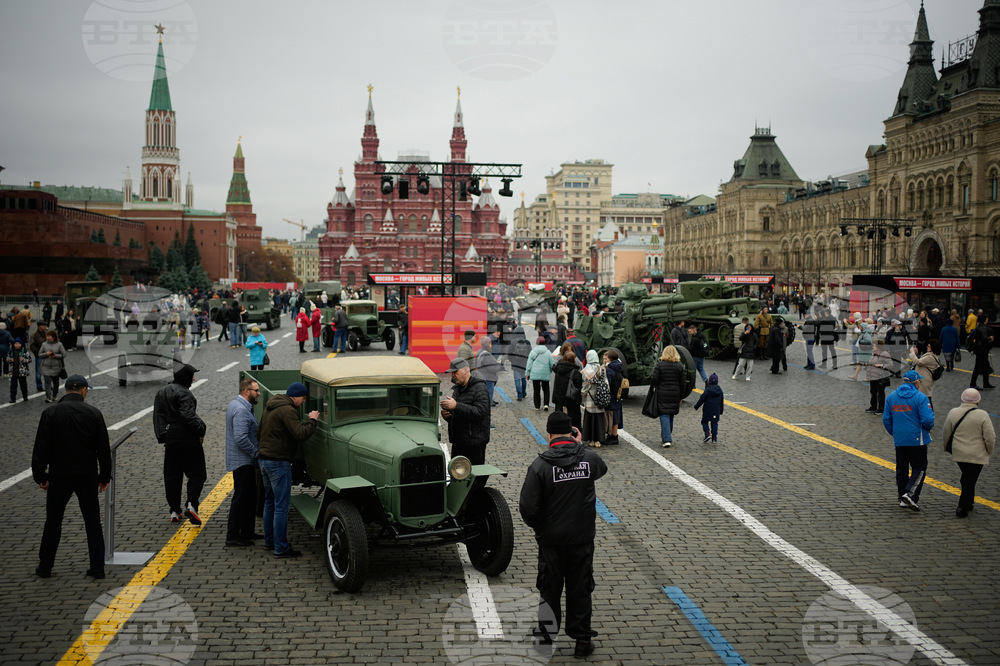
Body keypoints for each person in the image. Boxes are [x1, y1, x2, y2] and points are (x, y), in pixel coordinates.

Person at [519, 411, 606, 660]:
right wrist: (580, 446)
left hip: (552, 541)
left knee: (550, 590)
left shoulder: (540, 465)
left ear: (549, 435)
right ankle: (582, 641)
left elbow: (527, 508)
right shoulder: (588, 458)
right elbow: (602, 468)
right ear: (572, 432)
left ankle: (546, 641)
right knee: (581, 588)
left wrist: (541, 528)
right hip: (581, 538)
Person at [31, 374, 111, 579]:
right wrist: (105, 476)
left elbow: (41, 448)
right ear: (84, 390)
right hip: (86, 474)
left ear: (66, 390)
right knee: (92, 521)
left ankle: (45, 566)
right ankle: (97, 567)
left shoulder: (50, 413)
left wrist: (40, 476)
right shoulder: (94, 413)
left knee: (53, 521)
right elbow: (103, 449)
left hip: (60, 475)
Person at [257, 382, 319, 558]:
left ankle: (269, 542)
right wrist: (312, 420)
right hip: (278, 462)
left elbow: (258, 433)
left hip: (264, 460)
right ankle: (281, 547)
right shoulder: (288, 410)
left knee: (269, 502)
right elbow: (300, 434)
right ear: (295, 397)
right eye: (303, 398)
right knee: (281, 506)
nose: (304, 401)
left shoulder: (271, 406)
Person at [153, 364, 207, 525]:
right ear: (185, 377)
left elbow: (158, 416)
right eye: (191, 376)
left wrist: (163, 436)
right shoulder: (185, 394)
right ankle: (192, 504)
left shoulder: (162, 391)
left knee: (172, 477)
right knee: (197, 474)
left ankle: (175, 510)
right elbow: (188, 416)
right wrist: (201, 429)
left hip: (171, 441)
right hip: (188, 439)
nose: (193, 379)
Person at [883, 370, 934, 511]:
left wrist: (895, 433)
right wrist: (928, 428)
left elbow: (886, 419)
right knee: (919, 467)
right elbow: (928, 419)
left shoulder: (892, 397)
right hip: (917, 439)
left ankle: (902, 497)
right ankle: (910, 494)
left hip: (900, 438)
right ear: (916, 382)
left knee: (902, 468)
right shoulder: (921, 397)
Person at [942, 388, 995, 518]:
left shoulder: (953, 412)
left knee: (967, 477)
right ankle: (962, 506)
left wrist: (947, 447)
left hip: (959, 452)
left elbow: (946, 432)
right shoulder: (983, 415)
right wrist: (989, 450)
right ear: (978, 400)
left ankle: (969, 501)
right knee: (969, 479)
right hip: (977, 453)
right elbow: (990, 437)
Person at [225, 377, 261, 546]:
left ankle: (246, 531)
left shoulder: (239, 405)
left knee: (248, 497)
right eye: (256, 391)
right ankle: (233, 536)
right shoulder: (241, 410)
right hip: (243, 461)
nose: (259, 393)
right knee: (241, 498)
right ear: (246, 391)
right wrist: (256, 453)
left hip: (244, 460)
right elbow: (240, 438)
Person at [440, 358, 491, 464]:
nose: (453, 375)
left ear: (466, 370)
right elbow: (460, 414)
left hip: (474, 444)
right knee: (458, 475)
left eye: (455, 372)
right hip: (459, 442)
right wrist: (449, 416)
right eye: (451, 373)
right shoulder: (458, 388)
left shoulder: (480, 388)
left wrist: (456, 406)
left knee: (474, 476)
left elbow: (480, 412)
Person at [650, 345, 686, 448]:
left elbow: (654, 379)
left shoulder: (660, 365)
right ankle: (666, 434)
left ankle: (666, 438)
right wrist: (681, 396)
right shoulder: (679, 366)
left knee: (664, 414)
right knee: (670, 415)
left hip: (662, 392)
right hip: (675, 393)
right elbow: (683, 383)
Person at [580, 350, 608, 448]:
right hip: (599, 398)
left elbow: (584, 386)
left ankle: (590, 440)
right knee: (599, 420)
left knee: (589, 419)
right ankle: (598, 440)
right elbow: (606, 384)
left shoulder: (585, 370)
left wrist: (582, 396)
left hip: (589, 399)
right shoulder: (601, 369)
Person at [552, 349, 583, 431]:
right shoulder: (575, 372)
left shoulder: (558, 369)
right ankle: (573, 431)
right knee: (574, 416)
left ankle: (560, 430)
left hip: (560, 396)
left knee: (560, 415)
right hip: (571, 397)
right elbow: (578, 384)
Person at [908, 339, 941, 409]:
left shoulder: (930, 357)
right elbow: (922, 362)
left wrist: (912, 353)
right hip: (925, 379)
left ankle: (928, 413)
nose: (927, 347)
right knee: (924, 397)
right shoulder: (932, 356)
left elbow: (917, 362)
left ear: (932, 348)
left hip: (924, 381)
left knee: (926, 397)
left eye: (929, 346)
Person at [526, 335, 555, 411]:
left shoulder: (533, 352)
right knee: (546, 389)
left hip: (535, 373)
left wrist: (527, 373)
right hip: (545, 373)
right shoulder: (548, 352)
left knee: (536, 390)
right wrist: (551, 371)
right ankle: (546, 404)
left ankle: (537, 406)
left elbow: (529, 364)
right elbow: (552, 363)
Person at [693, 373, 724, 443]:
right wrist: (721, 410)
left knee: (704, 422)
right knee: (714, 423)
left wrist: (696, 406)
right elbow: (721, 402)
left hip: (707, 410)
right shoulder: (720, 391)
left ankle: (707, 433)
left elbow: (702, 399)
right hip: (716, 410)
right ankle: (714, 437)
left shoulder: (707, 390)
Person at [38, 330, 67, 403]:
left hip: (56, 366)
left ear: (53, 337)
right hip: (46, 366)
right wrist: (46, 354)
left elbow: (64, 354)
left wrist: (56, 356)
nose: (47, 338)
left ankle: (54, 395)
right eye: (47, 336)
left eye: (49, 336)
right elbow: (40, 354)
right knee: (47, 382)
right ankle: (48, 396)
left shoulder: (59, 344)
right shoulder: (44, 344)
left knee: (55, 382)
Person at [969, 315, 995, 390]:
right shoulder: (983, 328)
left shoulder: (978, 326)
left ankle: (986, 383)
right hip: (982, 350)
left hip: (979, 349)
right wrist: (990, 338)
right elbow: (984, 338)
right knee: (978, 367)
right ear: (984, 320)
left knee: (985, 366)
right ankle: (973, 383)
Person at [603, 350, 624, 446]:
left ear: (610, 359)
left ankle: (613, 436)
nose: (604, 360)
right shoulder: (619, 366)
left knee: (612, 416)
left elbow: (607, 383)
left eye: (606, 358)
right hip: (618, 395)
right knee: (615, 415)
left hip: (612, 395)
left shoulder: (610, 369)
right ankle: (614, 436)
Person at [475, 336, 500, 414]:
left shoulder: (479, 352)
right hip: (488, 380)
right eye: (490, 343)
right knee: (487, 401)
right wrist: (498, 365)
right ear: (488, 344)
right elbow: (492, 369)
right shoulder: (487, 355)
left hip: (482, 378)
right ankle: (487, 422)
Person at [866, 340, 892, 414]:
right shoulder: (874, 353)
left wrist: (882, 365)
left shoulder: (885, 354)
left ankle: (881, 408)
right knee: (873, 392)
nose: (873, 347)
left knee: (880, 393)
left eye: (874, 346)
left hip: (880, 376)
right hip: (873, 376)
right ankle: (873, 406)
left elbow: (890, 365)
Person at [507, 331, 532, 401]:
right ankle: (524, 392)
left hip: (515, 364)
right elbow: (530, 353)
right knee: (523, 379)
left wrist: (512, 360)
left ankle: (519, 395)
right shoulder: (527, 342)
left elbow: (509, 353)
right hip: (524, 364)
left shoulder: (513, 342)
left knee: (517, 380)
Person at [9, 338, 31, 403]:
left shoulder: (24, 351)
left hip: (22, 372)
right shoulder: (11, 351)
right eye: (16, 344)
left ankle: (25, 396)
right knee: (13, 386)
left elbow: (29, 360)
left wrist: (23, 360)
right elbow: (7, 359)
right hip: (13, 371)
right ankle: (13, 398)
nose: (17, 345)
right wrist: (10, 360)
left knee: (23, 385)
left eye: (18, 344)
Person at [30, 321, 49, 393]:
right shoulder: (34, 335)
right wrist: (38, 353)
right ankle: (39, 386)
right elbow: (32, 346)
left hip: (47, 355)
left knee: (48, 371)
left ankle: (48, 385)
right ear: (39, 326)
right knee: (38, 372)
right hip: (39, 355)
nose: (45, 327)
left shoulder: (46, 334)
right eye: (44, 325)